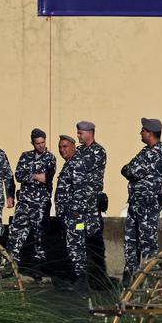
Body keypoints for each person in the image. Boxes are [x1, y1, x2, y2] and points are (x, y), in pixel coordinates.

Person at [121, 117, 162, 284]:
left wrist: (129, 170)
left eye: (142, 130)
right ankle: (130, 280)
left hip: (148, 205)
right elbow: (126, 168)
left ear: (150, 133)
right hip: (135, 203)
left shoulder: (158, 153)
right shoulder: (144, 152)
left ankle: (150, 283)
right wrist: (129, 169)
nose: (140, 132)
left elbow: (132, 171)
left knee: (147, 245)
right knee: (130, 243)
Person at [7, 128, 56, 270]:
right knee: (16, 232)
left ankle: (38, 269)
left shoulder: (50, 157)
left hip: (40, 203)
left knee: (40, 235)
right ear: (33, 143)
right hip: (24, 202)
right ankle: (11, 265)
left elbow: (47, 177)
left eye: (43, 142)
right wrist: (36, 176)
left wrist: (30, 175)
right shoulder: (25, 156)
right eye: (37, 143)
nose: (41, 145)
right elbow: (18, 175)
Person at [54, 134, 92, 287]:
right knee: (72, 246)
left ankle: (80, 280)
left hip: (75, 217)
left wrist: (75, 212)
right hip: (68, 215)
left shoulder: (76, 164)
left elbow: (80, 190)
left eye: (65, 147)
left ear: (73, 147)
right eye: (60, 147)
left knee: (76, 246)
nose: (62, 150)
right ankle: (74, 278)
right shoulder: (69, 163)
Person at [74, 120, 108, 283]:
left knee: (94, 240)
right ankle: (82, 276)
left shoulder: (98, 151)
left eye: (80, 133)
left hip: (92, 207)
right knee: (79, 235)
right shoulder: (78, 150)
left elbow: (79, 167)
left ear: (89, 132)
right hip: (79, 207)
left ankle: (99, 277)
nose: (78, 136)